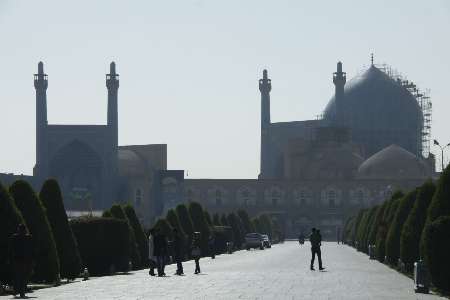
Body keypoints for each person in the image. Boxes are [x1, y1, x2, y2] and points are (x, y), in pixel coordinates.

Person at [9, 224, 33, 299]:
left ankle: (17, 290)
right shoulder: (28, 237)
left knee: (18, 276)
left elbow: (11, 249)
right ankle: (21, 291)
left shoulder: (14, 237)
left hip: (17, 259)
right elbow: (31, 250)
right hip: (25, 260)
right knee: (24, 276)